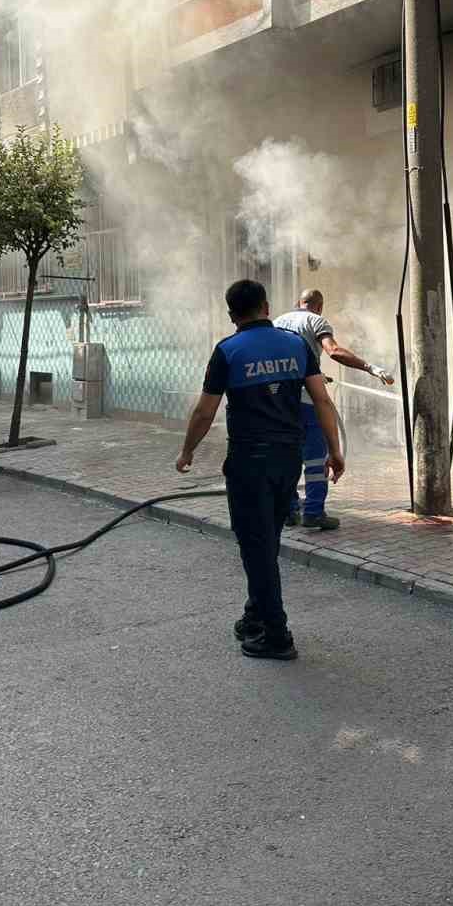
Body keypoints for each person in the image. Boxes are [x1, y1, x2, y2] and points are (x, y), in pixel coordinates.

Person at [176, 279, 345, 660]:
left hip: (250, 462)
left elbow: (205, 411)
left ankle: (277, 634)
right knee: (265, 539)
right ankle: (255, 615)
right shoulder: (296, 345)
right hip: (289, 460)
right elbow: (321, 399)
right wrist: (334, 450)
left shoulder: (228, 351)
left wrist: (187, 451)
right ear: (266, 307)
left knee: (256, 545)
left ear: (232, 315)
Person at [273, 289, 394, 531]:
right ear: (319, 306)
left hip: (278, 402)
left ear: (299, 303)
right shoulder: (315, 320)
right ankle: (314, 512)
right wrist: (371, 368)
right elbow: (334, 351)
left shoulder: (276, 322)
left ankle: (288, 511)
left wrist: (317, 375)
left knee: (286, 456)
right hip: (307, 400)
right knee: (316, 458)